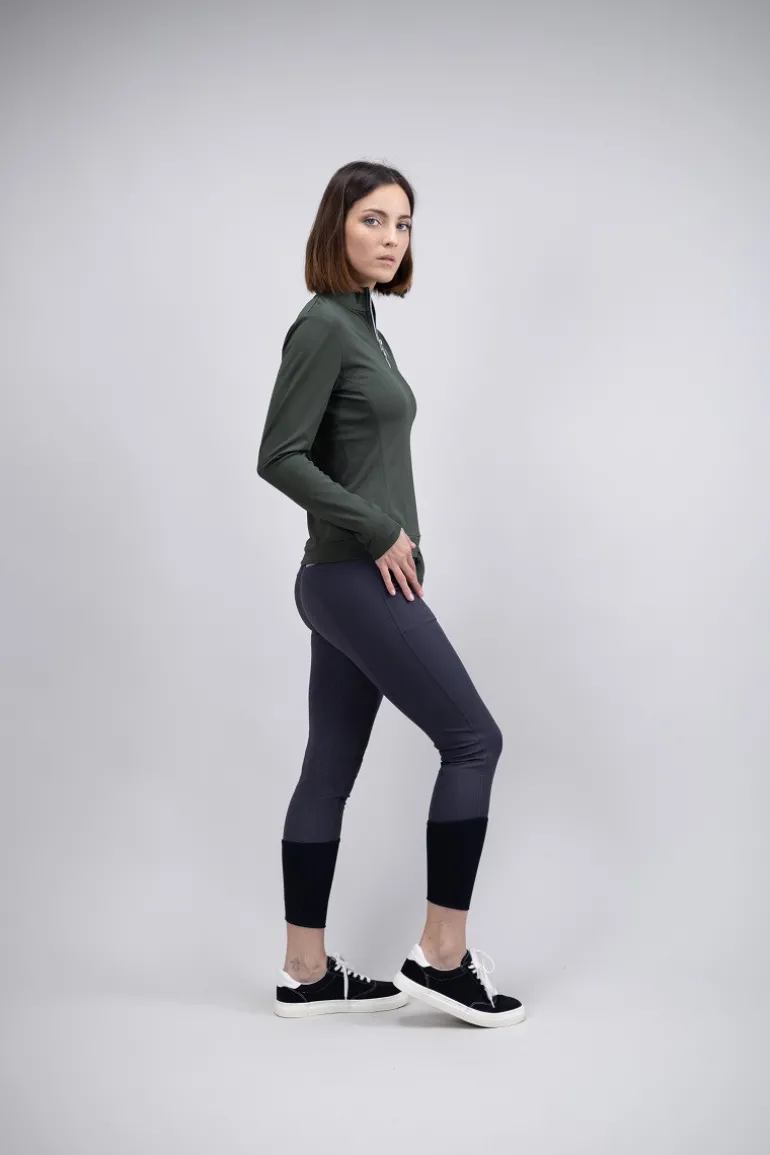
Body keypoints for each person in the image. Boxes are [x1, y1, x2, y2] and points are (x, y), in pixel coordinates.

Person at [256, 159, 525, 1028]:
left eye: (403, 224)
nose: (392, 238)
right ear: (335, 225)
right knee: (474, 740)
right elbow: (278, 455)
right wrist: (378, 529)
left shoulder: (365, 325)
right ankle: (442, 956)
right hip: (351, 576)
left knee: (328, 770)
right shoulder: (323, 325)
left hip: (343, 581)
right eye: (373, 219)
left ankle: (305, 971)